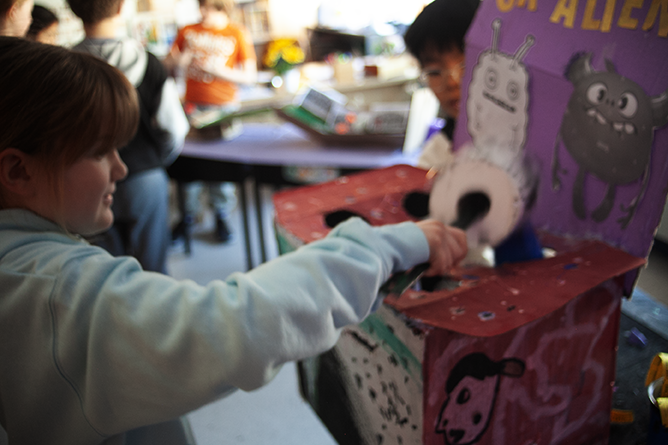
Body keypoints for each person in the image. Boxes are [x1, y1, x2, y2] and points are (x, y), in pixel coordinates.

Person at [0, 37, 467, 445]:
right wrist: (387, 246)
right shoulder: (53, 290)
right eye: (99, 152)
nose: (120, 168)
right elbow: (235, 324)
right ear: (18, 170)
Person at [67, 0, 190, 274]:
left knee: (108, 273)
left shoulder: (65, 67)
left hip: (88, 181)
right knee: (154, 272)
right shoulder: (148, 62)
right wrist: (156, 159)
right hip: (144, 177)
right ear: (122, 7)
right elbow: (175, 128)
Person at [164, 0, 258, 244]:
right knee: (190, 167)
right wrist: (178, 62)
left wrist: (218, 71)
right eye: (201, 6)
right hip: (191, 107)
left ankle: (221, 216)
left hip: (223, 108)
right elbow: (167, 64)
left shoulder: (237, 32)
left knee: (220, 169)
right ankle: (186, 216)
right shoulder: (187, 31)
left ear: (221, 7)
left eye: (208, 7)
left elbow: (249, 76)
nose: (203, 12)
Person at [403, 0, 480, 171]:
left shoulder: (538, 144)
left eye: (466, 65)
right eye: (434, 72)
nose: (452, 82)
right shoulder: (436, 160)